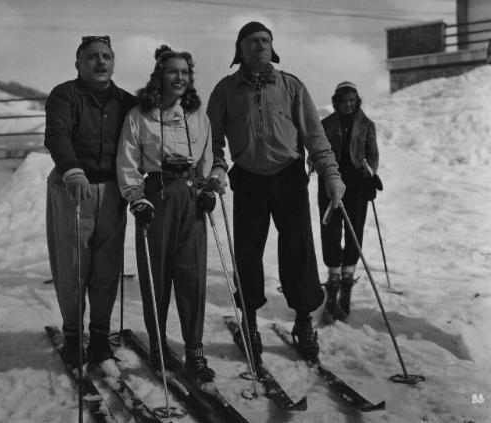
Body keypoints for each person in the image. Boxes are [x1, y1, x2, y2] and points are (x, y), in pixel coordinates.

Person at [206, 21, 345, 362]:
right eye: (253, 41)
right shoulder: (225, 91)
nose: (261, 46)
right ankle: (250, 321)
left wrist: (331, 174)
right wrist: (217, 167)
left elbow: (315, 136)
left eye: (266, 40)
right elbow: (210, 142)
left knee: (299, 251)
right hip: (249, 180)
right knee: (249, 254)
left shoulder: (291, 86)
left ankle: (302, 321)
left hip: (290, 177)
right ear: (240, 49)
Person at [116, 45, 216, 383]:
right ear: (160, 74)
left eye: (185, 73)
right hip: (156, 196)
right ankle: (158, 343)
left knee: (192, 276)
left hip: (189, 198)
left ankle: (194, 349)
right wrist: (136, 198)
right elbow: (127, 163)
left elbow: (207, 158)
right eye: (173, 71)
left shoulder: (198, 115)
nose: (180, 78)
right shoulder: (138, 115)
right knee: (156, 275)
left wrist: (207, 189)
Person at [44, 35, 137, 367]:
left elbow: (139, 143)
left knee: (106, 269)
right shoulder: (64, 95)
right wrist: (71, 170)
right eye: (93, 57)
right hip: (73, 189)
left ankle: (99, 337)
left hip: (111, 192)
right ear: (78, 64)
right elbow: (57, 135)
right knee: (73, 267)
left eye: (107, 56)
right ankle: (73, 336)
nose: (101, 62)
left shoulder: (126, 101)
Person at [318, 81, 380, 323]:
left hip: (356, 182)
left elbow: (373, 154)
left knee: (354, 228)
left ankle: (347, 276)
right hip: (330, 182)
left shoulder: (367, 125)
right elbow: (318, 150)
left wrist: (370, 172)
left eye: (352, 101)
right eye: (344, 100)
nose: (348, 104)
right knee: (330, 229)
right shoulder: (325, 125)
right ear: (336, 101)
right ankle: (333, 277)